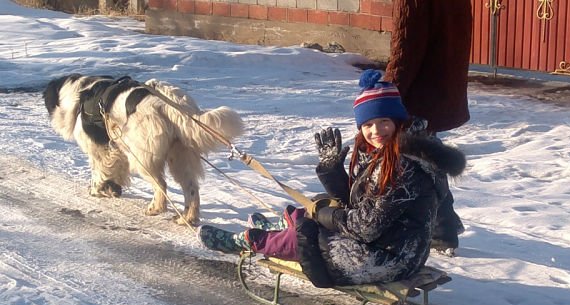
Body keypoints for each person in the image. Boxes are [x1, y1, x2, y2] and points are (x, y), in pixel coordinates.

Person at [197, 70, 466, 288]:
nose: (376, 131)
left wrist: (322, 216)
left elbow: (366, 227)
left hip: (388, 257)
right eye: (368, 125)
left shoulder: (403, 166)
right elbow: (356, 203)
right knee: (316, 208)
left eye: (383, 121)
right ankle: (281, 226)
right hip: (388, 245)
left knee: (309, 232)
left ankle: (249, 240)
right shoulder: (383, 153)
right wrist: (332, 169)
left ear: (397, 122)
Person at [383, 0, 473, 254]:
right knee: (425, 153)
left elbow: (405, 48)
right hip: (440, 85)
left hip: (418, 90)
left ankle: (443, 230)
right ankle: (446, 225)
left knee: (417, 156)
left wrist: (387, 95)